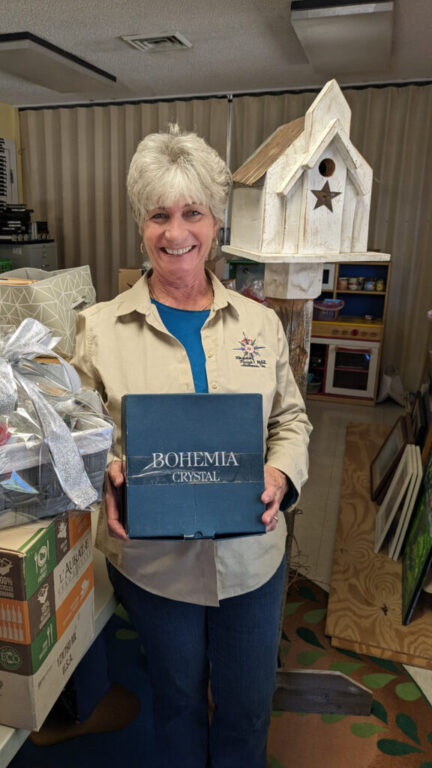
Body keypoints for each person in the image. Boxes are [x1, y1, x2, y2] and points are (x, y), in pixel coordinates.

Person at [71, 124, 312, 768]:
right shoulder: (97, 330)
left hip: (253, 560)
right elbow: (73, 435)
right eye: (159, 215)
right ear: (141, 224)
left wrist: (281, 474)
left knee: (245, 706)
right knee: (176, 700)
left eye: (192, 213)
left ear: (215, 220)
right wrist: (105, 472)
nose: (176, 233)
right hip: (155, 569)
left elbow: (291, 420)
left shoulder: (259, 323)